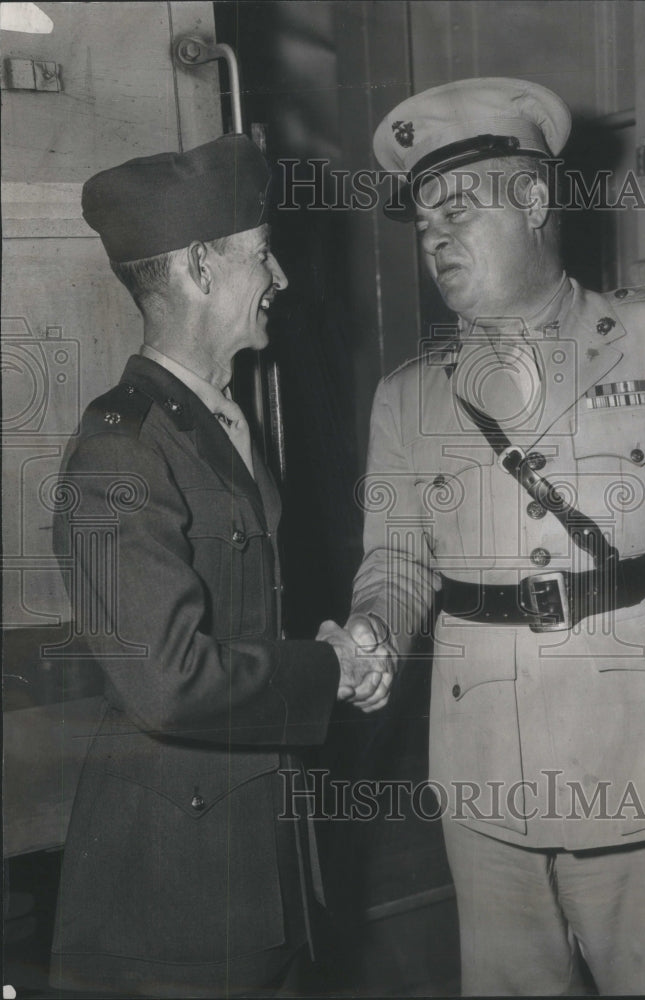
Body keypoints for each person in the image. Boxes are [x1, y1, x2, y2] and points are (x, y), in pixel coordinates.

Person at [348, 78, 645, 995]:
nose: (435, 237)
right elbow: (394, 555)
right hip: (484, 771)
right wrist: (374, 626)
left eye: (458, 209)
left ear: (534, 202)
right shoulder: (408, 395)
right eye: (422, 222)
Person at [49, 134, 392, 998]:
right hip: (178, 885)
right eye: (262, 254)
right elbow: (167, 683)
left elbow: (240, 615)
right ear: (201, 266)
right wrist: (330, 669)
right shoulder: (121, 451)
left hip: (256, 843)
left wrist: (321, 650)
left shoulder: (215, 418)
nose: (281, 277)